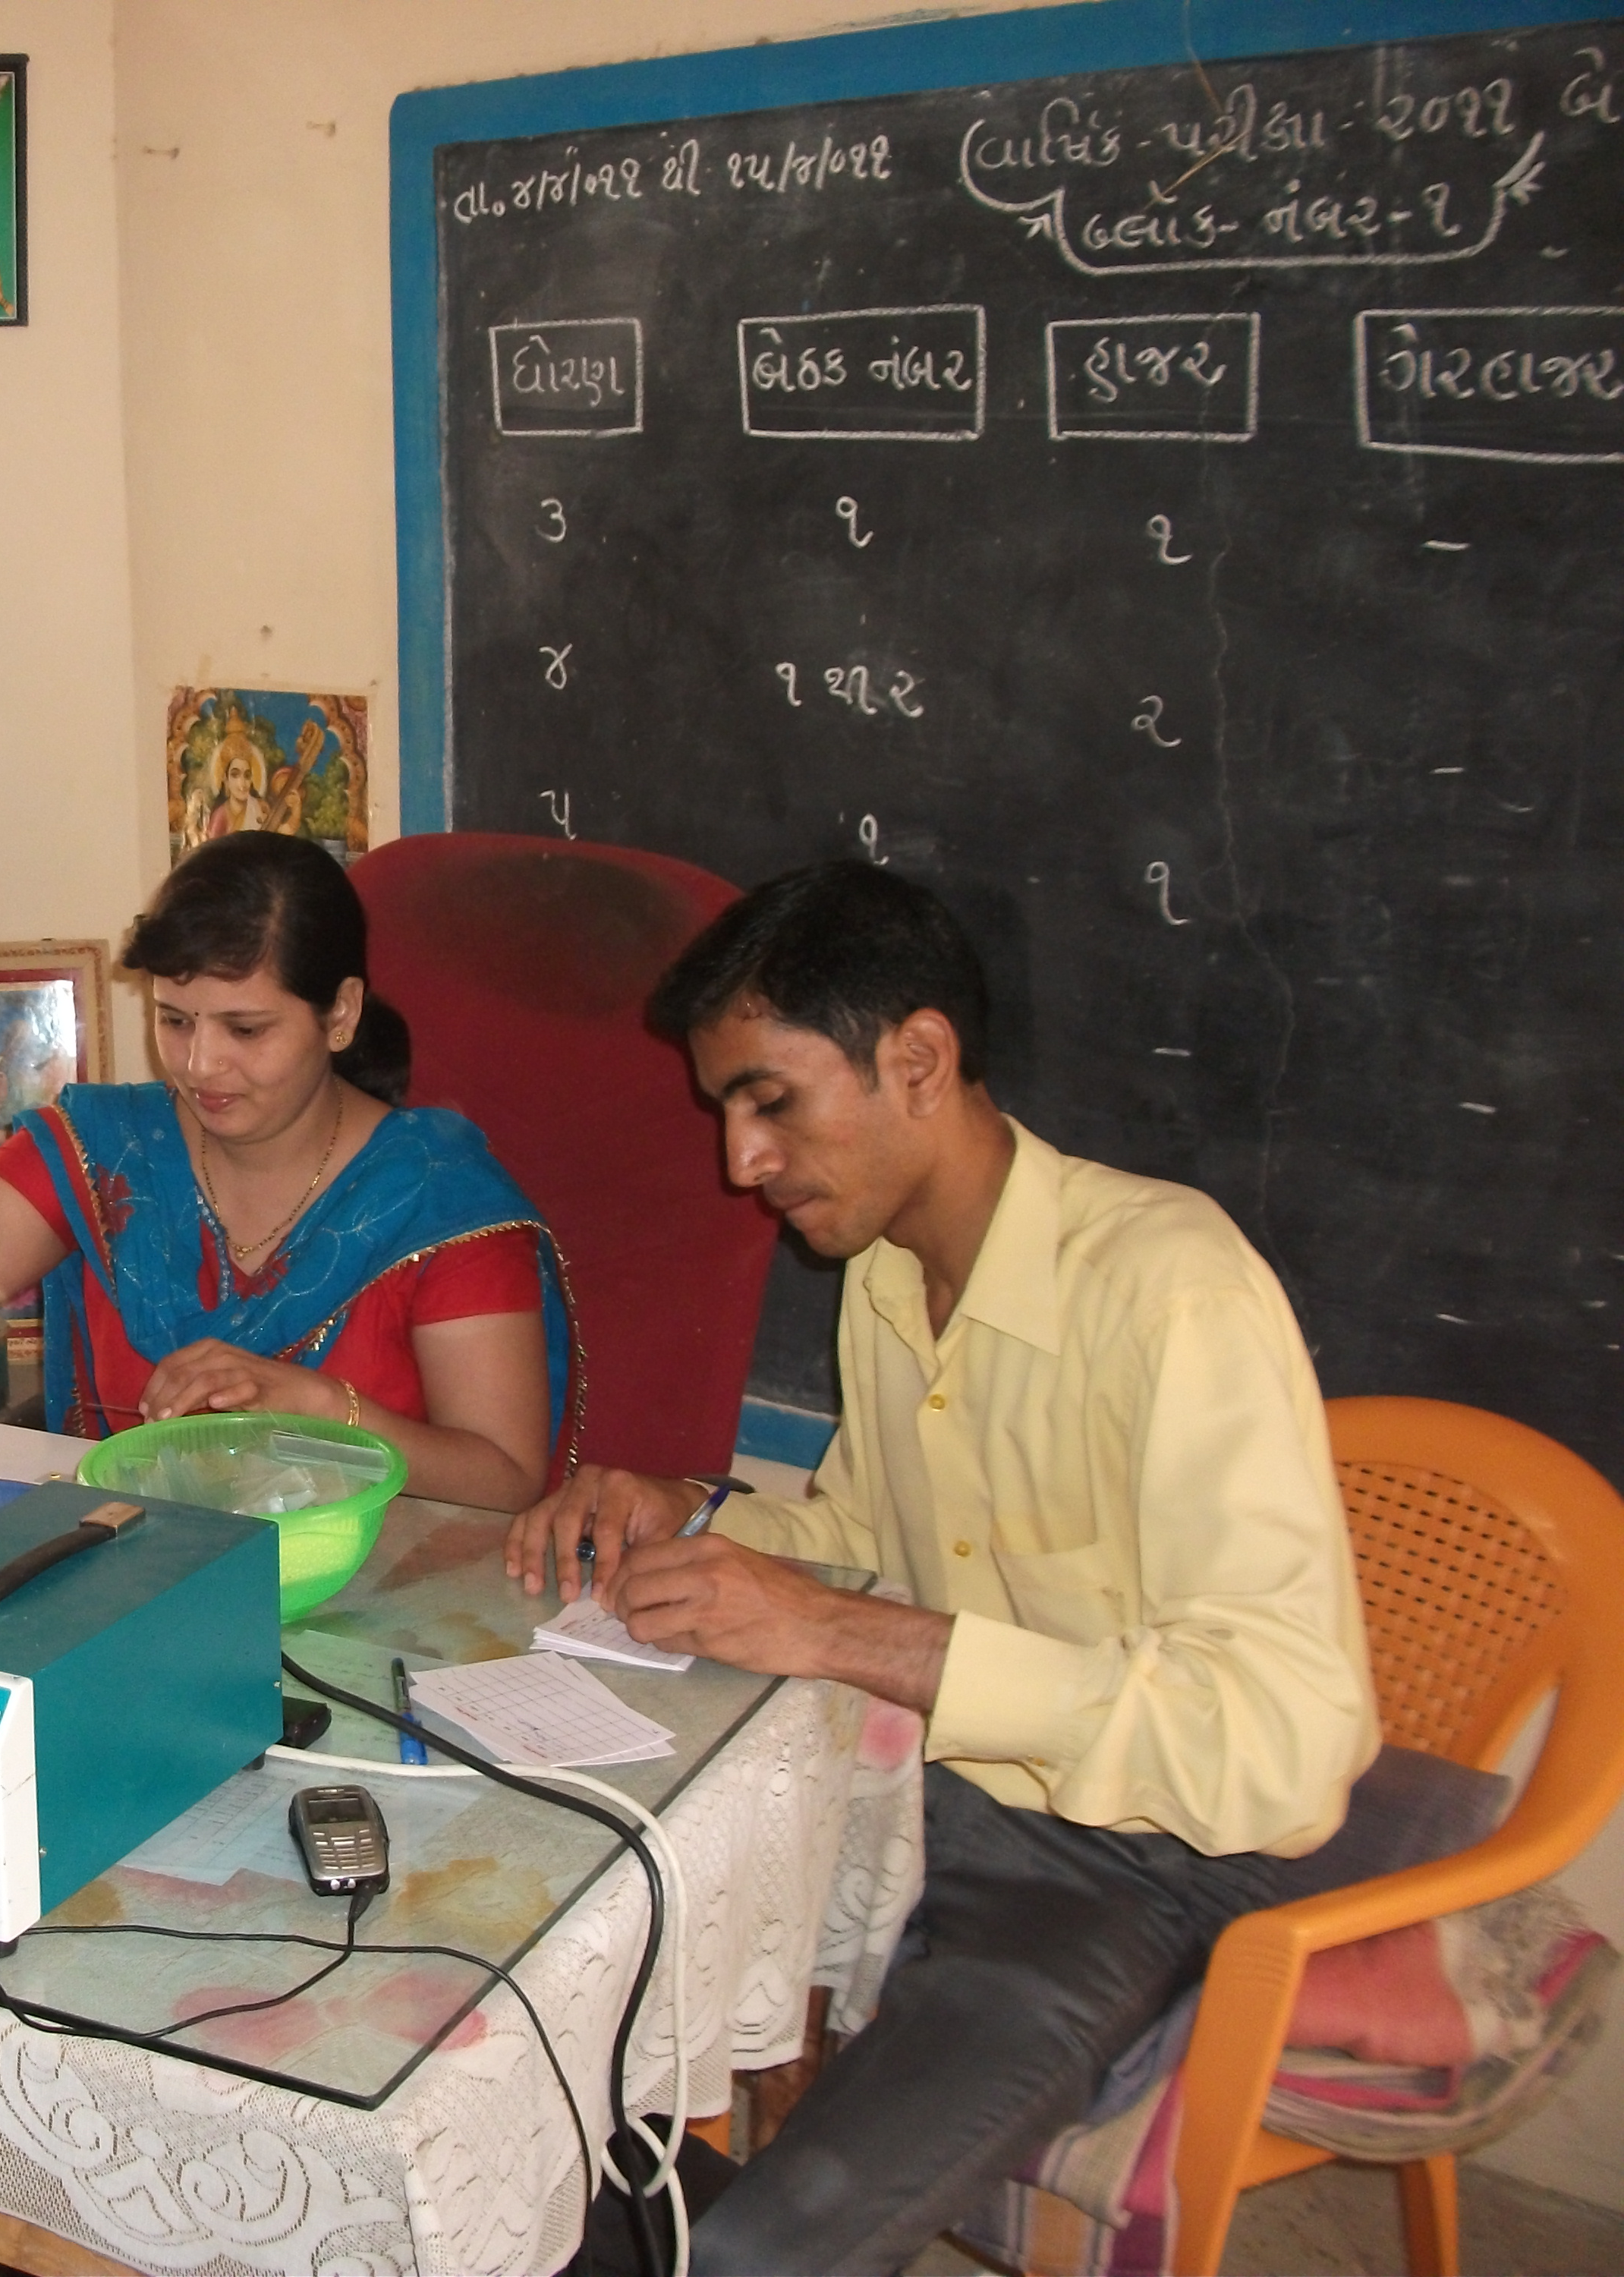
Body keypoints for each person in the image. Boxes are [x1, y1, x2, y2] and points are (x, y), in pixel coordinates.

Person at [505, 861, 1377, 2273]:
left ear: (917, 1060)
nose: (742, 1162)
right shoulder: (889, 1273)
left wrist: (836, 1632)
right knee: (534, 2035)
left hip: (1138, 1857)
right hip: (926, 1784)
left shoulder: (1171, 1290)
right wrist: (684, 1513)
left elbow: (1277, 1747)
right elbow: (860, 1539)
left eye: (770, 1102)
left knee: (771, 2250)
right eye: (727, 1112)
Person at [0, 831, 568, 1510]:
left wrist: (318, 1406)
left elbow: (504, 1474)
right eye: (175, 1020)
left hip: (379, 1596)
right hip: (138, 1575)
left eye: (245, 1029)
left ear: (340, 1014)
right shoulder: (108, 1149)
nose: (200, 1064)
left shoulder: (434, 1195)